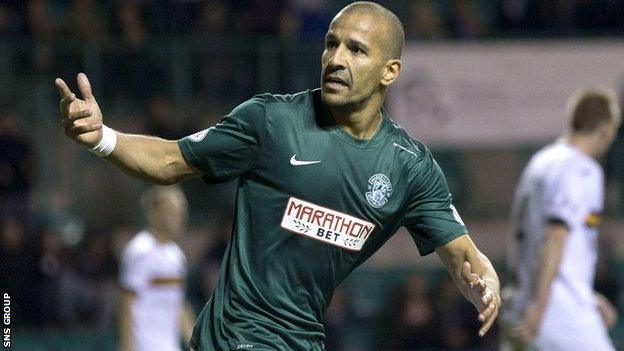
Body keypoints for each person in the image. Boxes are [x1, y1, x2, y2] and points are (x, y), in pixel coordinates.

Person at [55, 2, 500, 350]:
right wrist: (102, 137)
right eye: (331, 43)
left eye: (356, 50)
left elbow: (463, 255)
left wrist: (484, 283)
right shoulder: (271, 120)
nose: (335, 59)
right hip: (236, 338)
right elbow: (171, 160)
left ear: (390, 71)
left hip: (304, 340)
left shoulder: (409, 166)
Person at [501, 88, 621, 350]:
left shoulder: (541, 162)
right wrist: (540, 309)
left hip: (518, 301)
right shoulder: (581, 169)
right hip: (555, 311)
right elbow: (556, 236)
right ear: (606, 129)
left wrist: (587, 297)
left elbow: (531, 239)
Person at [118, 185, 195, 351]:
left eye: (182, 212)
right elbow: (126, 304)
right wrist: (127, 347)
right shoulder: (139, 250)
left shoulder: (176, 255)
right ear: (155, 213)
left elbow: (179, 304)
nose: (181, 217)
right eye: (173, 212)